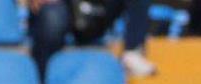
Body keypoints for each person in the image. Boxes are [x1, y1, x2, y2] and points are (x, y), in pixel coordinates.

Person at [27, 0, 157, 79]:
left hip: (96, 11)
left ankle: (132, 52)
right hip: (62, 8)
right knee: (51, 17)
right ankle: (41, 80)